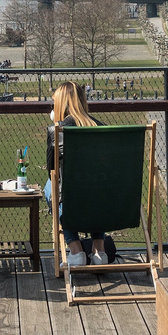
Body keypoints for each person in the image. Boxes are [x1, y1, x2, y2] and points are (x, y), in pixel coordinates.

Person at [45, 81, 114, 266]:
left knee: (48, 186)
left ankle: (76, 250)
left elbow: (51, 170)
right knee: (97, 188)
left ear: (60, 104)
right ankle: (99, 250)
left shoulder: (57, 131)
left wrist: (55, 125)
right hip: (102, 202)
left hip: (72, 202)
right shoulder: (103, 128)